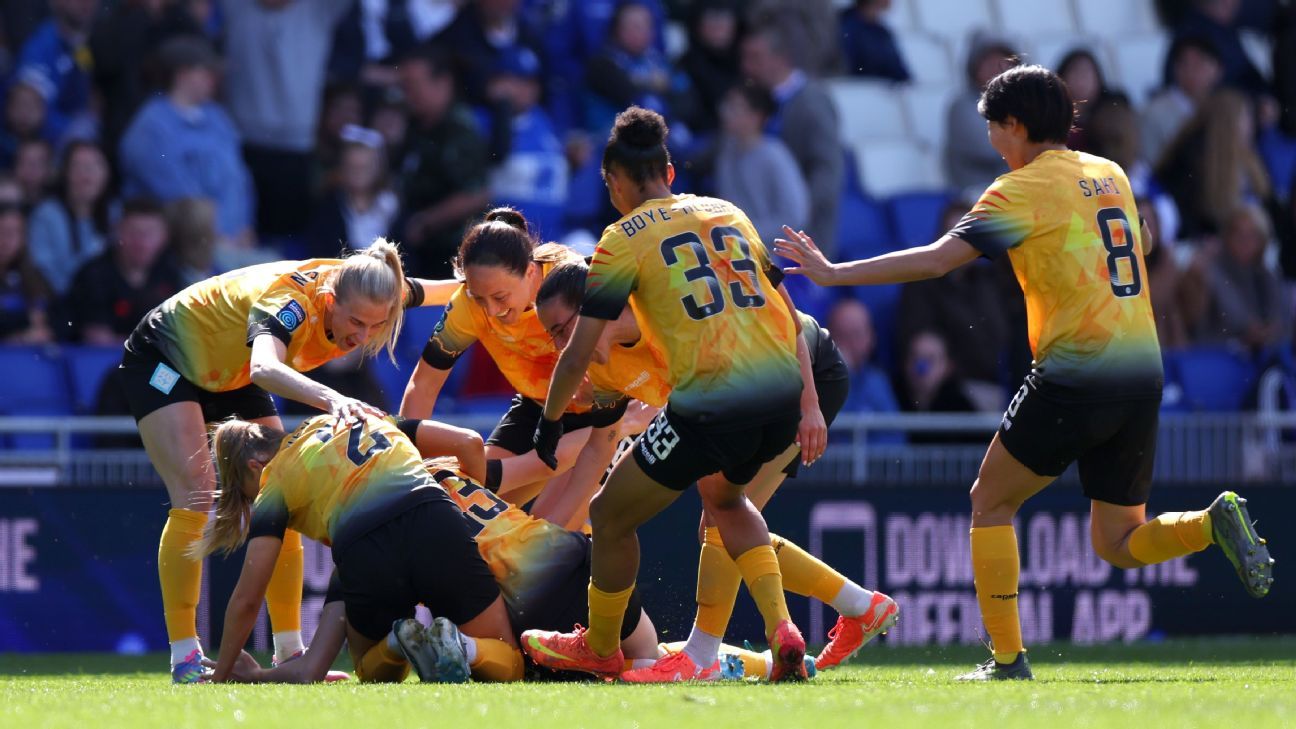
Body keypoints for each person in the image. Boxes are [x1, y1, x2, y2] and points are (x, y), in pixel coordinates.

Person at [775, 64, 1274, 680]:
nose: (992, 142)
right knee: (1117, 540)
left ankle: (1007, 660)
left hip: (1074, 372)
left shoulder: (1021, 189)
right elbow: (1142, 242)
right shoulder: (1109, 172)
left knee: (990, 501)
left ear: (1014, 125)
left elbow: (936, 262)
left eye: (993, 128)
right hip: (1143, 373)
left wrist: (831, 272)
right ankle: (1209, 523)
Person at [523, 107, 810, 682]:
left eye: (609, 186)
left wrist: (550, 421)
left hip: (711, 403)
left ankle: (601, 646)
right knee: (726, 502)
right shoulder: (727, 211)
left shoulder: (620, 238)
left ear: (615, 182)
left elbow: (579, 350)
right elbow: (791, 316)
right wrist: (809, 404)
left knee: (607, 515)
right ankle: (783, 631)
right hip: (781, 395)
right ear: (670, 173)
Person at [119, 241, 476, 683]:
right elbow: (265, 369)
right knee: (196, 491)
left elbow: (437, 289)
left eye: (376, 325)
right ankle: (184, 658)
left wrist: (484, 287)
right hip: (165, 356)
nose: (362, 336)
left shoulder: (371, 287)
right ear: (330, 301)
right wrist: (333, 398)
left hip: (229, 368)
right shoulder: (289, 304)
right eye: (356, 323)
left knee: (279, 488)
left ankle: (290, 652)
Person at [534, 260, 899, 680]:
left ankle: (703, 655)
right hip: (754, 384)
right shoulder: (606, 356)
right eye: (553, 335)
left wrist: (809, 403)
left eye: (564, 329)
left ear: (593, 309)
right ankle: (858, 608)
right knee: (724, 512)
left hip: (800, 370)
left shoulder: (658, 308)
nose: (562, 344)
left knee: (721, 511)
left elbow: (775, 297)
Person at [202, 415, 520, 685]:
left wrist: (226, 675)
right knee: (506, 655)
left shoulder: (274, 482)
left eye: (245, 494)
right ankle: (463, 647)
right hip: (434, 518)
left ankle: (397, 642)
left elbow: (248, 600)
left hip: (364, 550)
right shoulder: (356, 414)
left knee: (371, 671)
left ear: (256, 466)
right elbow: (469, 442)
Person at [401, 208, 616, 503]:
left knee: (552, 526)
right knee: (472, 506)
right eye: (480, 298)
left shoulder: (570, 280)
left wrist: (494, 474)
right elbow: (423, 385)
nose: (491, 311)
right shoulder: (466, 305)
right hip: (537, 408)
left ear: (531, 272)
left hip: (605, 413)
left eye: (500, 297)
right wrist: (404, 464)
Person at [118, 35, 256, 251]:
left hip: (236, 241)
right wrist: (217, 237)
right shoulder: (150, 126)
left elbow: (239, 180)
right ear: (182, 75)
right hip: (187, 248)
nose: (213, 79)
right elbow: (179, 196)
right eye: (206, 72)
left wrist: (245, 227)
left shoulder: (218, 117)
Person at [741, 24, 842, 259]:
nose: (747, 67)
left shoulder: (812, 103)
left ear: (781, 59)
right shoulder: (758, 98)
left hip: (802, 236)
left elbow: (827, 170)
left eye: (756, 57)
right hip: (767, 227)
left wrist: (797, 217)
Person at [396, 49, 491, 277]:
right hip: (420, 247)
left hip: (456, 250)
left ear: (443, 82)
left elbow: (476, 194)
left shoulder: (459, 129)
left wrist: (426, 221)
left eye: (414, 85)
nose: (407, 93)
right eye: (404, 85)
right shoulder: (414, 125)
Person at [61, 197, 183, 344]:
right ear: (118, 232)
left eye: (150, 233)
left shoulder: (170, 274)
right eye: (133, 232)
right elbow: (97, 339)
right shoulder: (94, 275)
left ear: (164, 237)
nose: (142, 242)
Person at [1155, 88, 1272, 239]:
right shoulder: (1190, 160)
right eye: (1245, 118)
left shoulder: (1248, 156)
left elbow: (1266, 200)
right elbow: (1189, 218)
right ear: (1229, 123)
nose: (1250, 126)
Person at [713, 83, 809, 246]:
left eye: (735, 107)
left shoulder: (775, 155)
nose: (726, 113)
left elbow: (794, 216)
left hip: (771, 254)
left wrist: (743, 234)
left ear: (756, 116)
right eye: (726, 105)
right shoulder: (727, 153)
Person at [26, 139, 111, 296]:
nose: (87, 173)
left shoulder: (115, 213)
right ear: (65, 172)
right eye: (79, 166)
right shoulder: (46, 215)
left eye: (95, 165)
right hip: (62, 304)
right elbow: (44, 271)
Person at [307, 125, 400, 258]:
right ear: (342, 168)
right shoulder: (329, 207)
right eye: (352, 167)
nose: (358, 174)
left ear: (378, 168)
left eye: (364, 168)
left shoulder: (391, 206)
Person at [945, 35, 1018, 199]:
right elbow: (992, 149)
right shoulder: (961, 107)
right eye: (988, 61)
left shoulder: (1024, 105)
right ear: (974, 68)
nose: (997, 67)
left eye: (1004, 61)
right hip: (978, 197)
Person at [1142, 35, 1222, 166]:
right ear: (1175, 69)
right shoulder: (1153, 114)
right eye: (1185, 63)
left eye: (1200, 63)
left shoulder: (1222, 108)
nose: (1192, 71)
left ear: (1218, 70)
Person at [0, 196, 52, 343]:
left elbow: (58, 316)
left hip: (27, 361)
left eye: (14, 232)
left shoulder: (33, 276)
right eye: (1, 231)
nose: (6, 239)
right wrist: (20, 333)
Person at [838, 0, 909, 82]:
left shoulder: (882, 32)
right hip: (858, 88)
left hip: (883, 90)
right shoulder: (845, 26)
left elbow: (899, 70)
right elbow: (847, 67)